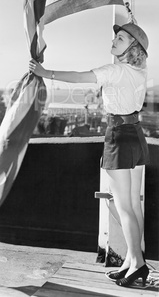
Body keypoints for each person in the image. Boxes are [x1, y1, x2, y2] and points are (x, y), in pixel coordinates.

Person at [29, 22, 150, 288]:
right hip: (136, 135)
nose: (114, 40)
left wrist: (44, 72)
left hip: (119, 136)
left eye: (121, 38)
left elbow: (79, 76)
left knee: (125, 207)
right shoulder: (139, 72)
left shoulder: (114, 71)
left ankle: (138, 264)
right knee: (134, 203)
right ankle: (132, 261)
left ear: (132, 47)